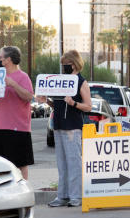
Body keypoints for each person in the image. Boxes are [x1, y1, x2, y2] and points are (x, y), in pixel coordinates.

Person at [38, 49, 92, 207]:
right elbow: (58, 105)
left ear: (74, 64)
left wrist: (73, 103)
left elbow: (88, 106)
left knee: (74, 162)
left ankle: (76, 196)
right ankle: (62, 196)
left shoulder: (81, 82)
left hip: (73, 128)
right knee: (61, 163)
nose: (64, 68)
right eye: (63, 65)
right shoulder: (61, 82)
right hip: (59, 126)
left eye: (66, 65)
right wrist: (47, 101)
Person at [0, 46, 34, 180]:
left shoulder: (23, 77)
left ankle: (24, 190)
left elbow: (28, 96)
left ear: (8, 60)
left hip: (18, 128)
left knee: (20, 164)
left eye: (0, 57)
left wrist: (13, 84)